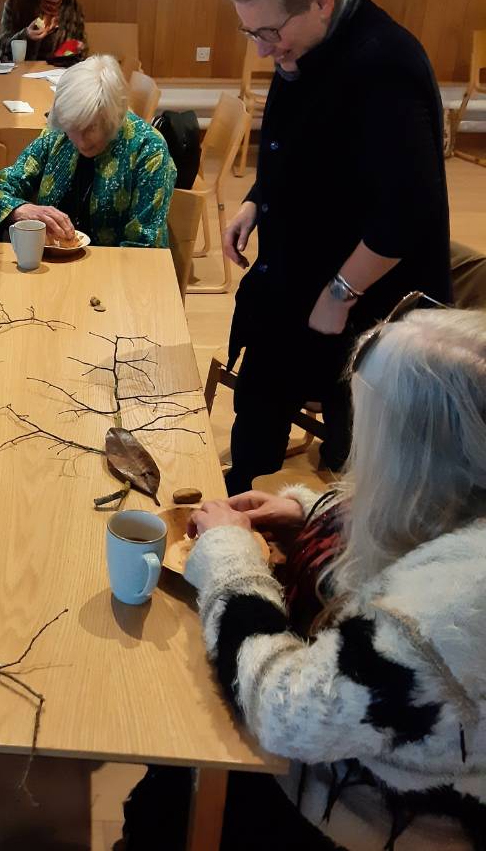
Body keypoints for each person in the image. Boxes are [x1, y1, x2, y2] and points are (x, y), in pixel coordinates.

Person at [119, 299, 486, 850]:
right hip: (356, 754)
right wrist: (315, 514)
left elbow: (287, 712)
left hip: (359, 813)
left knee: (170, 773)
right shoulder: (466, 497)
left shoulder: (447, 615)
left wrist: (230, 561)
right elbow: (432, 517)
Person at [218, 0, 451, 495]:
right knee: (257, 415)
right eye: (251, 33)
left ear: (322, 0)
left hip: (365, 309)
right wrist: (257, 200)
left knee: (360, 460)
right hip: (296, 280)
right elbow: (305, 147)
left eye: (268, 32)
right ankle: (243, 508)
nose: (263, 49)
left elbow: (406, 211)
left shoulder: (384, 65)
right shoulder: (302, 42)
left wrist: (338, 295)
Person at [0, 55, 175, 247]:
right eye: (73, 127)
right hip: (54, 266)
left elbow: (144, 248)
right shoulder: (58, 134)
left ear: (112, 117)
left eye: (90, 128)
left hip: (115, 271)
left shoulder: (148, 149)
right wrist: (21, 210)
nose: (81, 141)